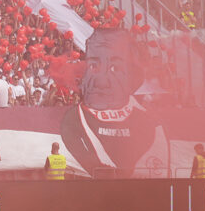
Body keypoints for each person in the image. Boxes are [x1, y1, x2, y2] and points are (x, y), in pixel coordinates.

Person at [59, 27, 167, 178]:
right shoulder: (73, 119)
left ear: (133, 77)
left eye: (115, 68)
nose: (101, 81)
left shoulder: (149, 124)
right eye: (93, 66)